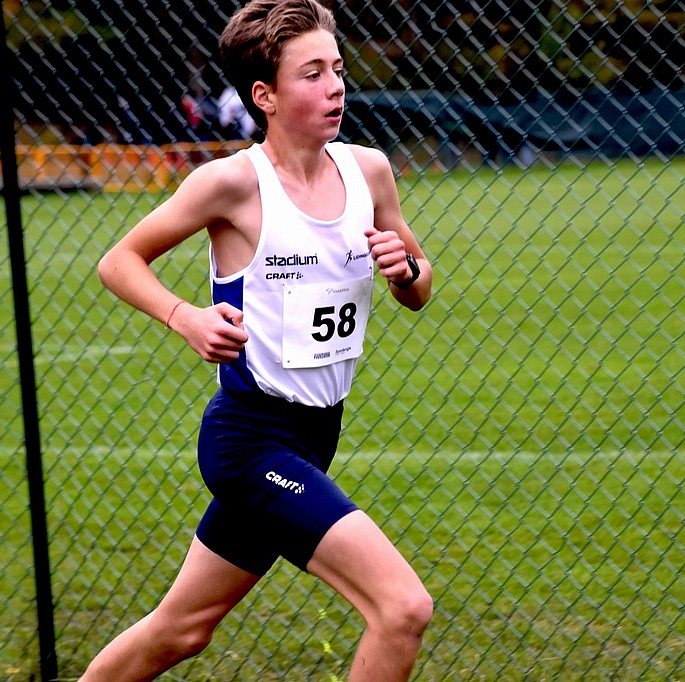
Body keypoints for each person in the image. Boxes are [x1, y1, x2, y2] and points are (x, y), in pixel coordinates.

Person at [80, 1, 434, 681]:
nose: (335, 87)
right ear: (265, 96)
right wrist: (185, 317)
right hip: (249, 441)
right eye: (312, 74)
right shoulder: (233, 184)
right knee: (402, 608)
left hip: (316, 436)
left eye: (337, 69)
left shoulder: (369, 172)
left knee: (182, 630)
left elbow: (418, 286)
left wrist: (407, 271)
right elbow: (118, 261)